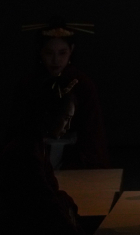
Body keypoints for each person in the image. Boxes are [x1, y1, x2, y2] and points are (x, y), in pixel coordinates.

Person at [14, 17, 109, 169]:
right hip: (37, 156)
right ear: (40, 52)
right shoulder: (29, 85)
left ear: (71, 50)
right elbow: (20, 129)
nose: (55, 60)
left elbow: (92, 131)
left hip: (74, 158)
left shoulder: (83, 85)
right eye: (49, 53)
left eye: (62, 53)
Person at [0, 76, 84, 234]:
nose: (68, 126)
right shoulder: (26, 150)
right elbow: (44, 201)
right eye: (66, 118)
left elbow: (50, 192)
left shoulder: (34, 143)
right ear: (49, 114)